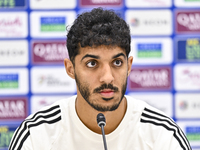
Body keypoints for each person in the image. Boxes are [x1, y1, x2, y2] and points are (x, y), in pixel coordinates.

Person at [9, 8, 191, 150]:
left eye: (117, 62)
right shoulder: (36, 135)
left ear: (129, 66)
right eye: (92, 64)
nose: (107, 77)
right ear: (70, 69)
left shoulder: (163, 135)